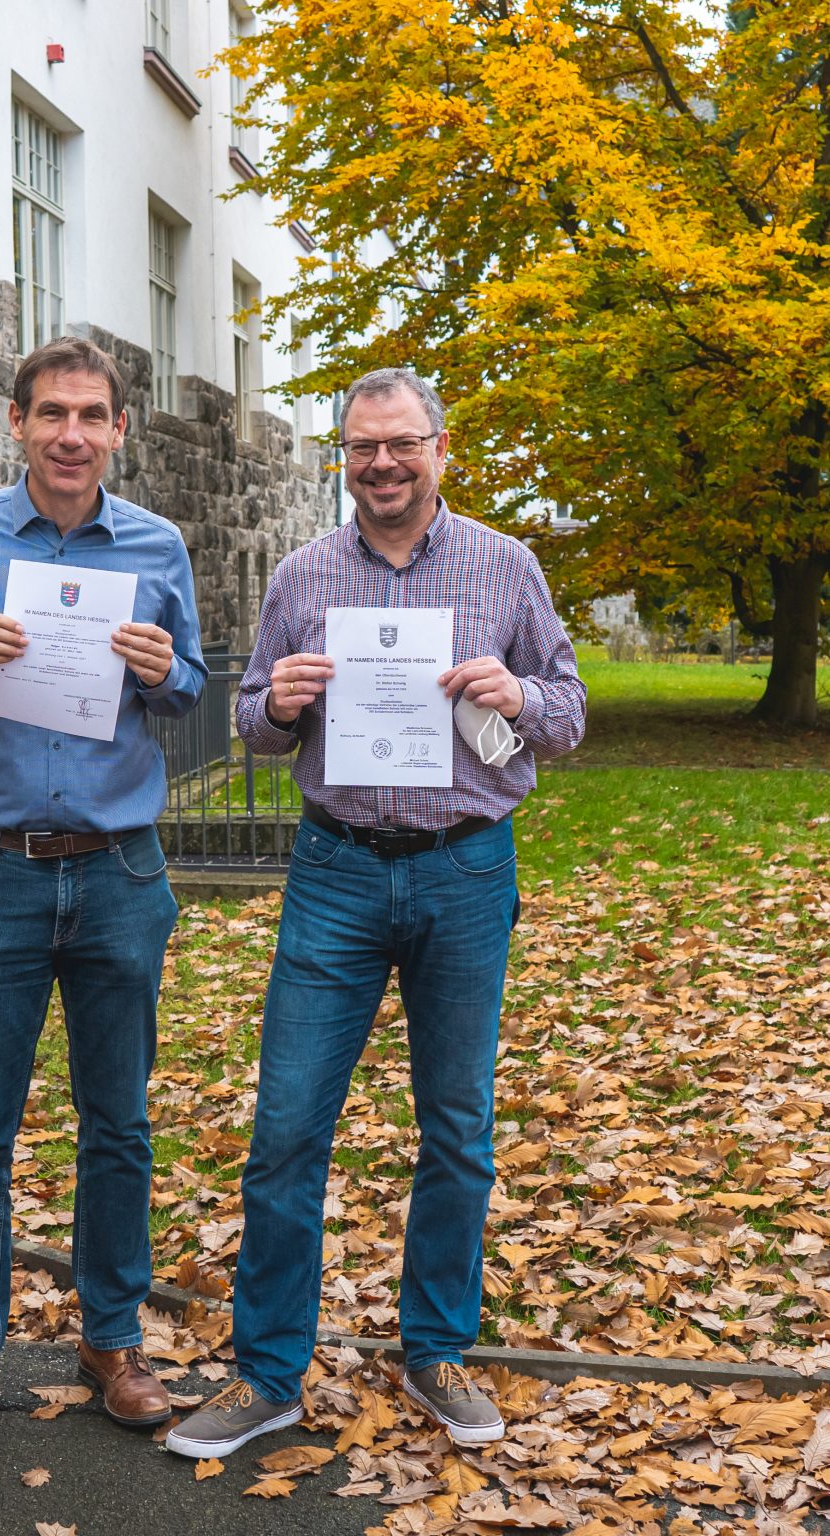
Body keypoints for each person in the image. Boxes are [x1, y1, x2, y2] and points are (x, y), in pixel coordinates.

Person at [166, 367, 585, 1459]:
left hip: (464, 867)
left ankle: (436, 1349)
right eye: (362, 448)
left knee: (457, 1130)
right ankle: (267, 1374)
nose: (383, 465)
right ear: (341, 457)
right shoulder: (304, 574)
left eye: (403, 445)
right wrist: (280, 705)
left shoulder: (506, 566)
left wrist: (519, 697)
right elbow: (250, 717)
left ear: (441, 450)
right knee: (288, 1128)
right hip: (337, 871)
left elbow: (569, 710)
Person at [0, 335, 205, 1471]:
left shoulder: (157, 545)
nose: (73, 433)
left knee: (118, 1126)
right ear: (14, 420)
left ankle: (110, 1343)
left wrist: (167, 671)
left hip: (120, 872)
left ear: (120, 431)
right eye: (52, 412)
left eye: (94, 415)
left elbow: (196, 688)